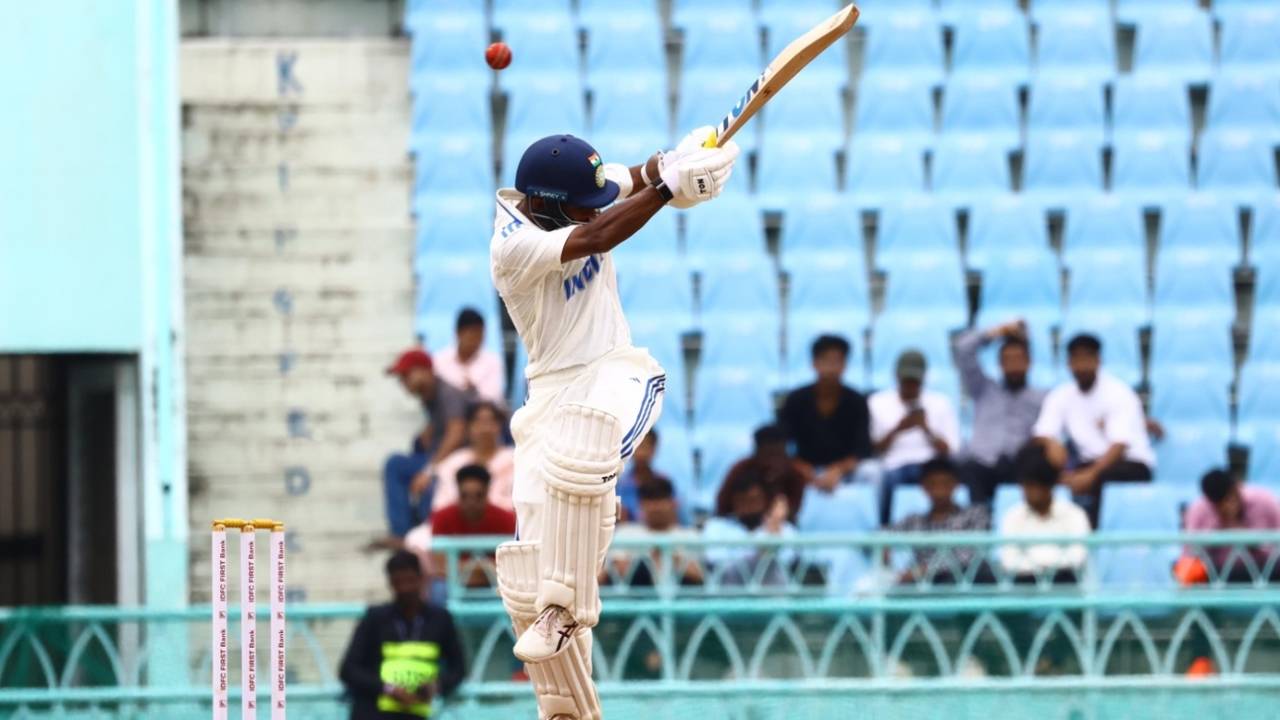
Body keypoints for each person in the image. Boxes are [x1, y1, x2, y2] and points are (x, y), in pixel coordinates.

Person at [488, 128, 740, 720]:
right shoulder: (513, 245)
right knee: (528, 573)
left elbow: (637, 175)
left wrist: (677, 165)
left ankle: (566, 611)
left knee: (585, 446)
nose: (595, 206)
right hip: (549, 392)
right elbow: (602, 231)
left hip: (619, 370)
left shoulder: (570, 194)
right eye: (583, 203)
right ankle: (567, 708)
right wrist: (663, 193)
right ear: (547, 205)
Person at [1033, 333, 1155, 526]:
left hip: (1131, 464)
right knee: (1036, 466)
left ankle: (1091, 541)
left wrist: (1090, 475)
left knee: (1102, 480)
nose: (1081, 366)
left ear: (1098, 360)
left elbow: (1120, 446)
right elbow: (1042, 434)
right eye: (1076, 359)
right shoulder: (1061, 394)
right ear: (1069, 363)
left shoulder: (1118, 392)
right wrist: (1051, 445)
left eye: (1086, 358)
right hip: (1087, 464)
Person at [339, 551, 466, 719]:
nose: (405, 589)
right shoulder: (375, 619)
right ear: (390, 583)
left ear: (421, 579)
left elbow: (459, 667)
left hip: (420, 710)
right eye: (398, 582)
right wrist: (387, 689)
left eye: (410, 581)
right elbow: (349, 670)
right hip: (375, 711)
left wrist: (434, 687)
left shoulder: (440, 619)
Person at [952, 320, 1047, 505]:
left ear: (1029, 363)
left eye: (1019, 359)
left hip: (1020, 465)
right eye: (1008, 360)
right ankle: (978, 524)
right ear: (1000, 364)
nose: (1014, 365)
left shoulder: (1043, 398)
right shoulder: (982, 388)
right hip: (982, 463)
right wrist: (997, 332)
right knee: (967, 467)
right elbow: (962, 349)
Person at [382, 348, 469, 541]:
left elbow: (457, 434)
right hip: (438, 458)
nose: (403, 383)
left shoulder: (448, 393)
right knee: (397, 464)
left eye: (406, 375)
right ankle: (402, 532)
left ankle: (409, 535)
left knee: (406, 473)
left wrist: (429, 471)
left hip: (458, 461)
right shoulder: (429, 397)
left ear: (424, 370)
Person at [869, 350, 961, 526]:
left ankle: (950, 528)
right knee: (882, 478)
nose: (910, 386)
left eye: (915, 381)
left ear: (923, 378)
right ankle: (884, 528)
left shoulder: (941, 402)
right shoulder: (877, 402)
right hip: (893, 466)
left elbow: (949, 450)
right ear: (896, 376)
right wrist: (898, 429)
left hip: (931, 465)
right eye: (906, 381)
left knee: (944, 479)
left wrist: (925, 428)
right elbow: (874, 450)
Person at [779, 334, 875, 490]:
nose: (831, 368)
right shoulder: (795, 399)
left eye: (837, 361)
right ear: (814, 364)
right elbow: (781, 442)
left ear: (845, 365)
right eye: (826, 361)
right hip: (805, 468)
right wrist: (801, 468)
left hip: (844, 469)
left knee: (872, 471)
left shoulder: (857, 401)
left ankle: (874, 513)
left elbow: (863, 448)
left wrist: (838, 470)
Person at [997, 443, 1090, 584]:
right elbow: (1009, 560)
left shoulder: (1074, 515)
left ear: (1050, 486)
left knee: (1068, 580)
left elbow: (1078, 557)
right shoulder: (1012, 516)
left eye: (1037, 486)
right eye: (1027, 486)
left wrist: (1040, 566)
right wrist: (1045, 566)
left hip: (1064, 583)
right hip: (1025, 585)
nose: (1032, 493)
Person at [889, 458, 991, 585]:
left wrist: (927, 570)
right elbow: (881, 536)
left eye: (945, 484)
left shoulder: (975, 515)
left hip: (966, 582)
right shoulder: (913, 521)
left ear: (956, 484)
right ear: (923, 487)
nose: (939, 492)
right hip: (925, 587)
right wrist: (884, 548)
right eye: (933, 485)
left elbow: (971, 557)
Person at [1183, 469, 1280, 582]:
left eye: (1232, 497)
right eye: (1221, 504)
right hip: (1216, 575)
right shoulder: (1198, 511)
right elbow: (1189, 554)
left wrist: (1252, 541)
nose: (1229, 505)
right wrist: (1219, 531)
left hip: (1267, 570)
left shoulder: (1264, 502)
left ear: (1237, 487)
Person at [703, 470, 797, 586]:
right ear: (733, 500)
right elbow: (718, 564)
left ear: (765, 500)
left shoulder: (785, 529)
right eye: (742, 500)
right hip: (730, 598)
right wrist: (760, 550)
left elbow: (787, 560)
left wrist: (773, 535)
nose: (748, 507)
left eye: (754, 500)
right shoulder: (716, 527)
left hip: (773, 599)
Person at [430, 465, 517, 588]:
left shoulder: (506, 519)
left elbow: (511, 566)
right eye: (465, 496)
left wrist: (462, 568)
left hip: (496, 583)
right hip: (454, 582)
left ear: (487, 492)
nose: (471, 503)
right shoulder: (442, 518)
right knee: (438, 589)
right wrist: (484, 568)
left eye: (478, 496)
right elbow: (440, 566)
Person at [608, 477, 702, 587]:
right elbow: (618, 571)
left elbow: (698, 576)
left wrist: (665, 554)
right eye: (650, 501)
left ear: (674, 503)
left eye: (661, 500)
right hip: (636, 597)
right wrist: (649, 559)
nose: (656, 507)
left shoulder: (690, 535)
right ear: (640, 504)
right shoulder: (625, 534)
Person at [430, 401, 515, 512]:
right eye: (479, 422)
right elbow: (440, 505)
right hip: (459, 525)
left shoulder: (514, 459)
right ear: (469, 427)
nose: (485, 428)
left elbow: (518, 505)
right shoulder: (454, 462)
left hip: (504, 524)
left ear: (499, 426)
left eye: (490, 422)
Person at [714, 425, 808, 522]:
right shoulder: (740, 470)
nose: (774, 462)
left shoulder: (794, 475)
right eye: (769, 455)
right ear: (757, 453)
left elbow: (793, 511)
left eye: (779, 455)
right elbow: (722, 508)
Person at [431, 308, 505, 404]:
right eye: (472, 335)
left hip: (480, 412)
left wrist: (473, 392)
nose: (477, 341)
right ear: (458, 333)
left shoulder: (493, 362)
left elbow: (493, 397)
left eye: (480, 335)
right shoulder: (439, 360)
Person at [616, 430, 675, 523]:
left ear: (654, 448)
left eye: (646, 447)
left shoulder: (664, 482)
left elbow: (673, 518)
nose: (641, 453)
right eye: (638, 447)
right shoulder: (619, 485)